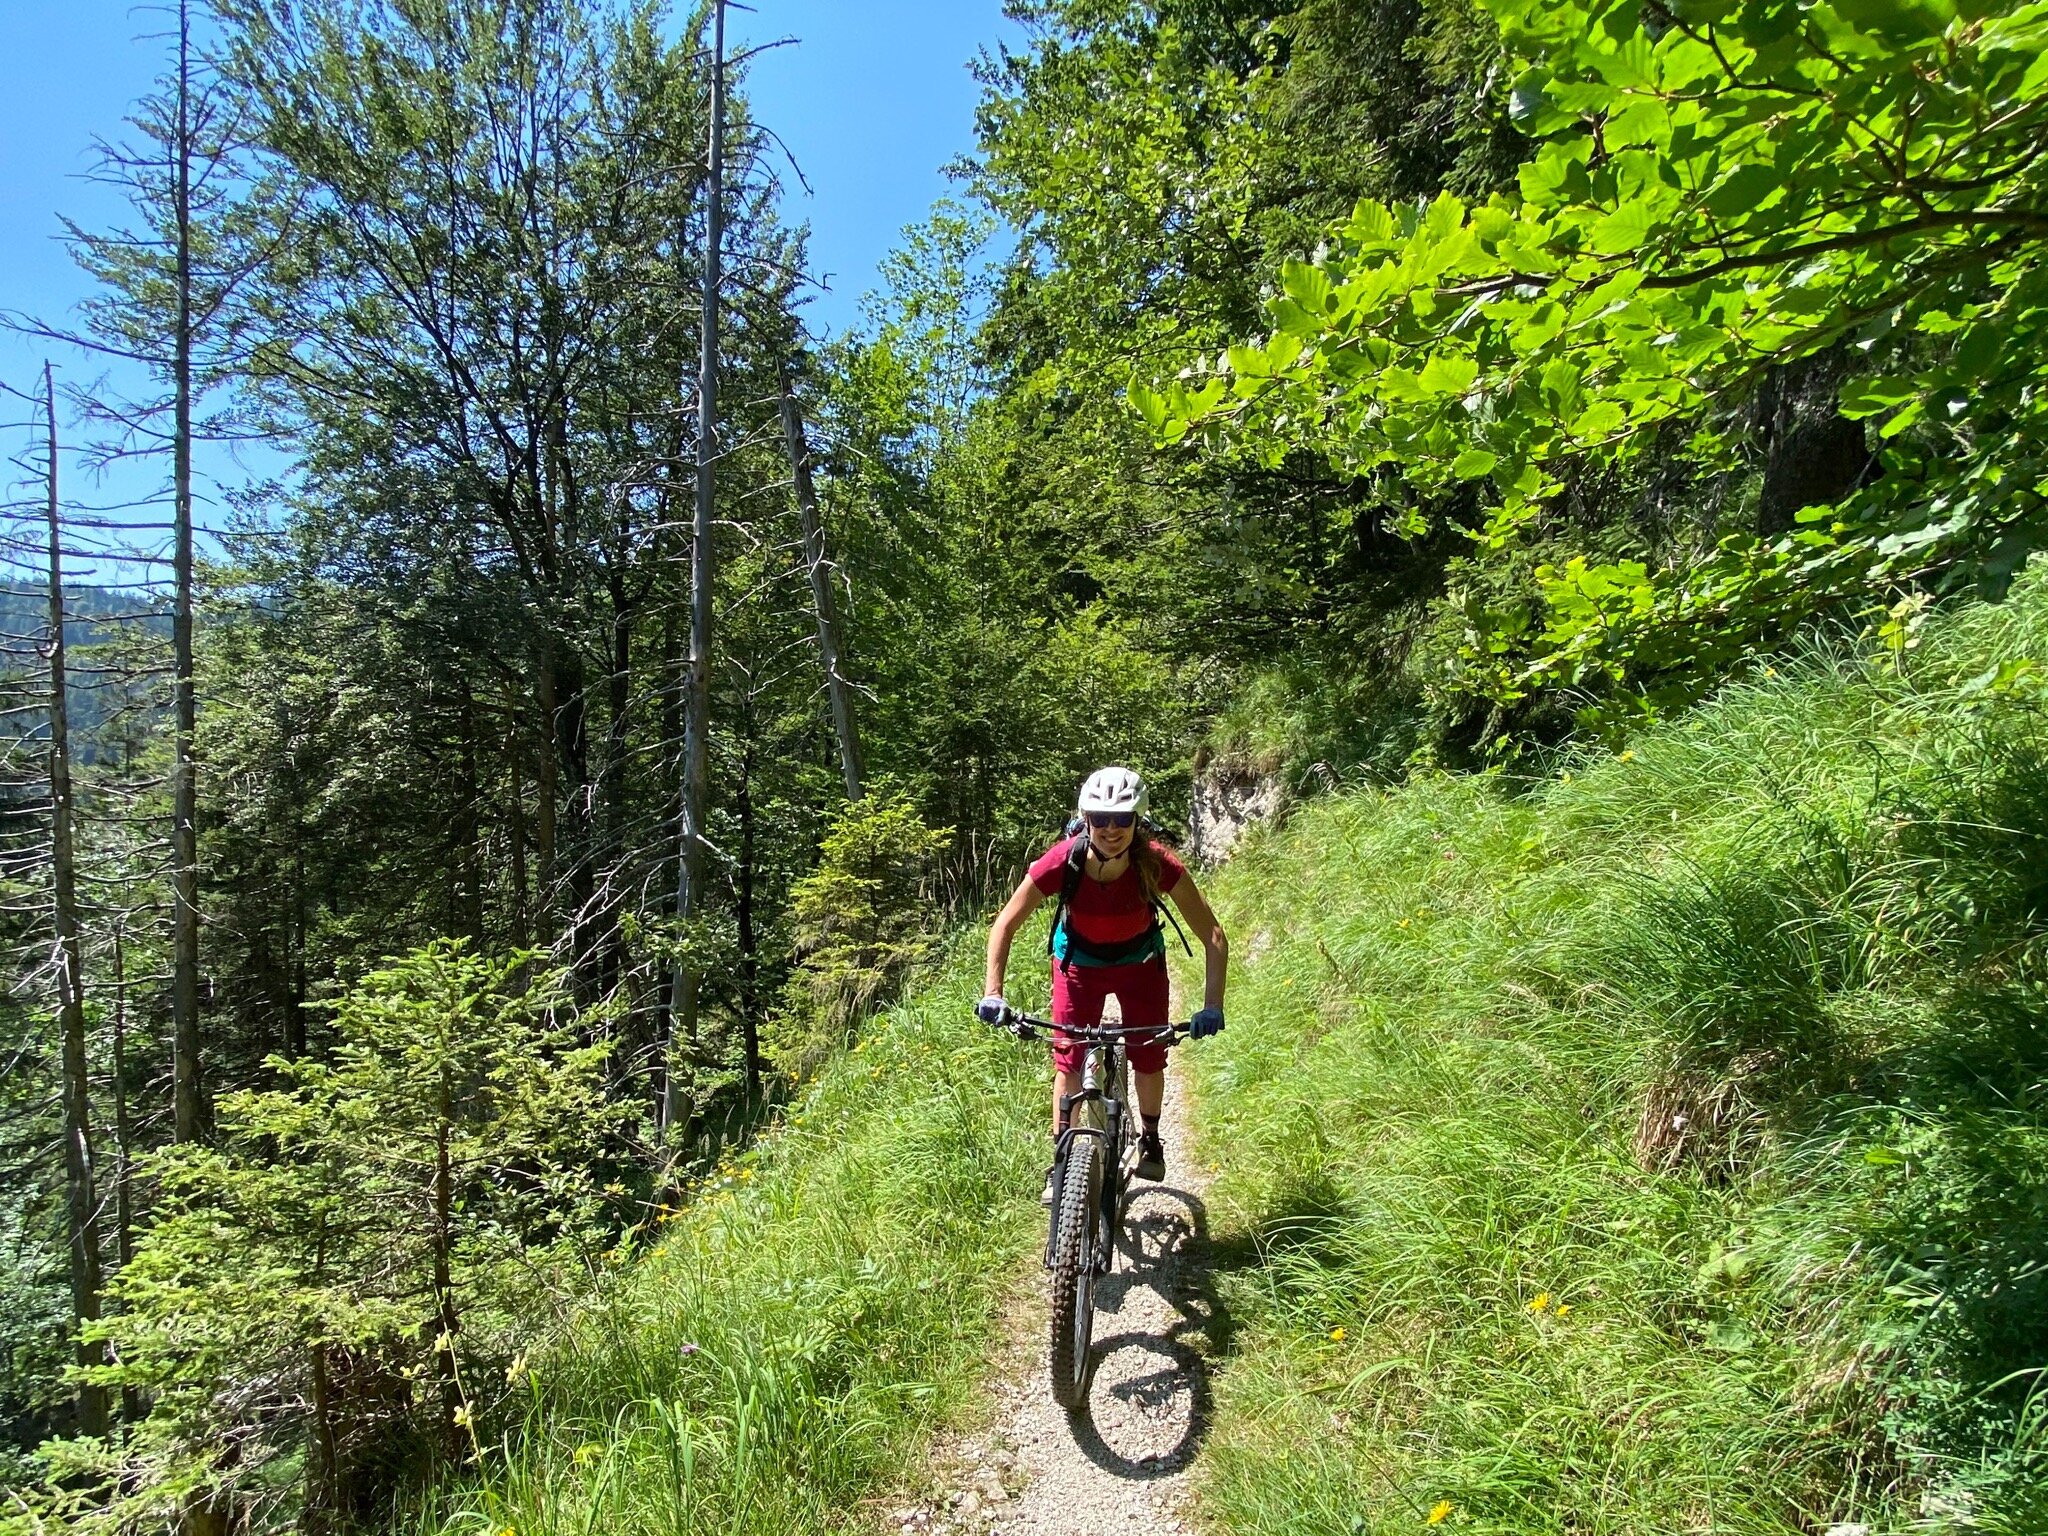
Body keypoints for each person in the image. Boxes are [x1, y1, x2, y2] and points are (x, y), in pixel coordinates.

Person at [977, 766, 1228, 1203]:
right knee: (1069, 1059)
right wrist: (993, 993)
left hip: (1140, 963)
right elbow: (1004, 924)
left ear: (1138, 821)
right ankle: (1062, 1160)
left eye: (1123, 819)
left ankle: (1150, 1136)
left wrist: (1212, 1005)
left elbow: (1213, 935)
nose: (1111, 829)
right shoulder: (1062, 861)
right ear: (1086, 818)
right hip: (1079, 964)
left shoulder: (1156, 863)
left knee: (1148, 1055)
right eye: (1100, 818)